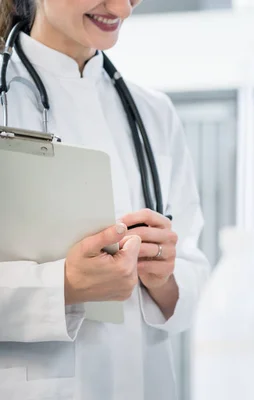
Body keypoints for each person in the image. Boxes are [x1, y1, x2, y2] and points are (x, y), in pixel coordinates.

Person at [0, 1, 209, 399]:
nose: (122, 10)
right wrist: (62, 285)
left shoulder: (154, 114)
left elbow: (194, 268)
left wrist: (164, 280)